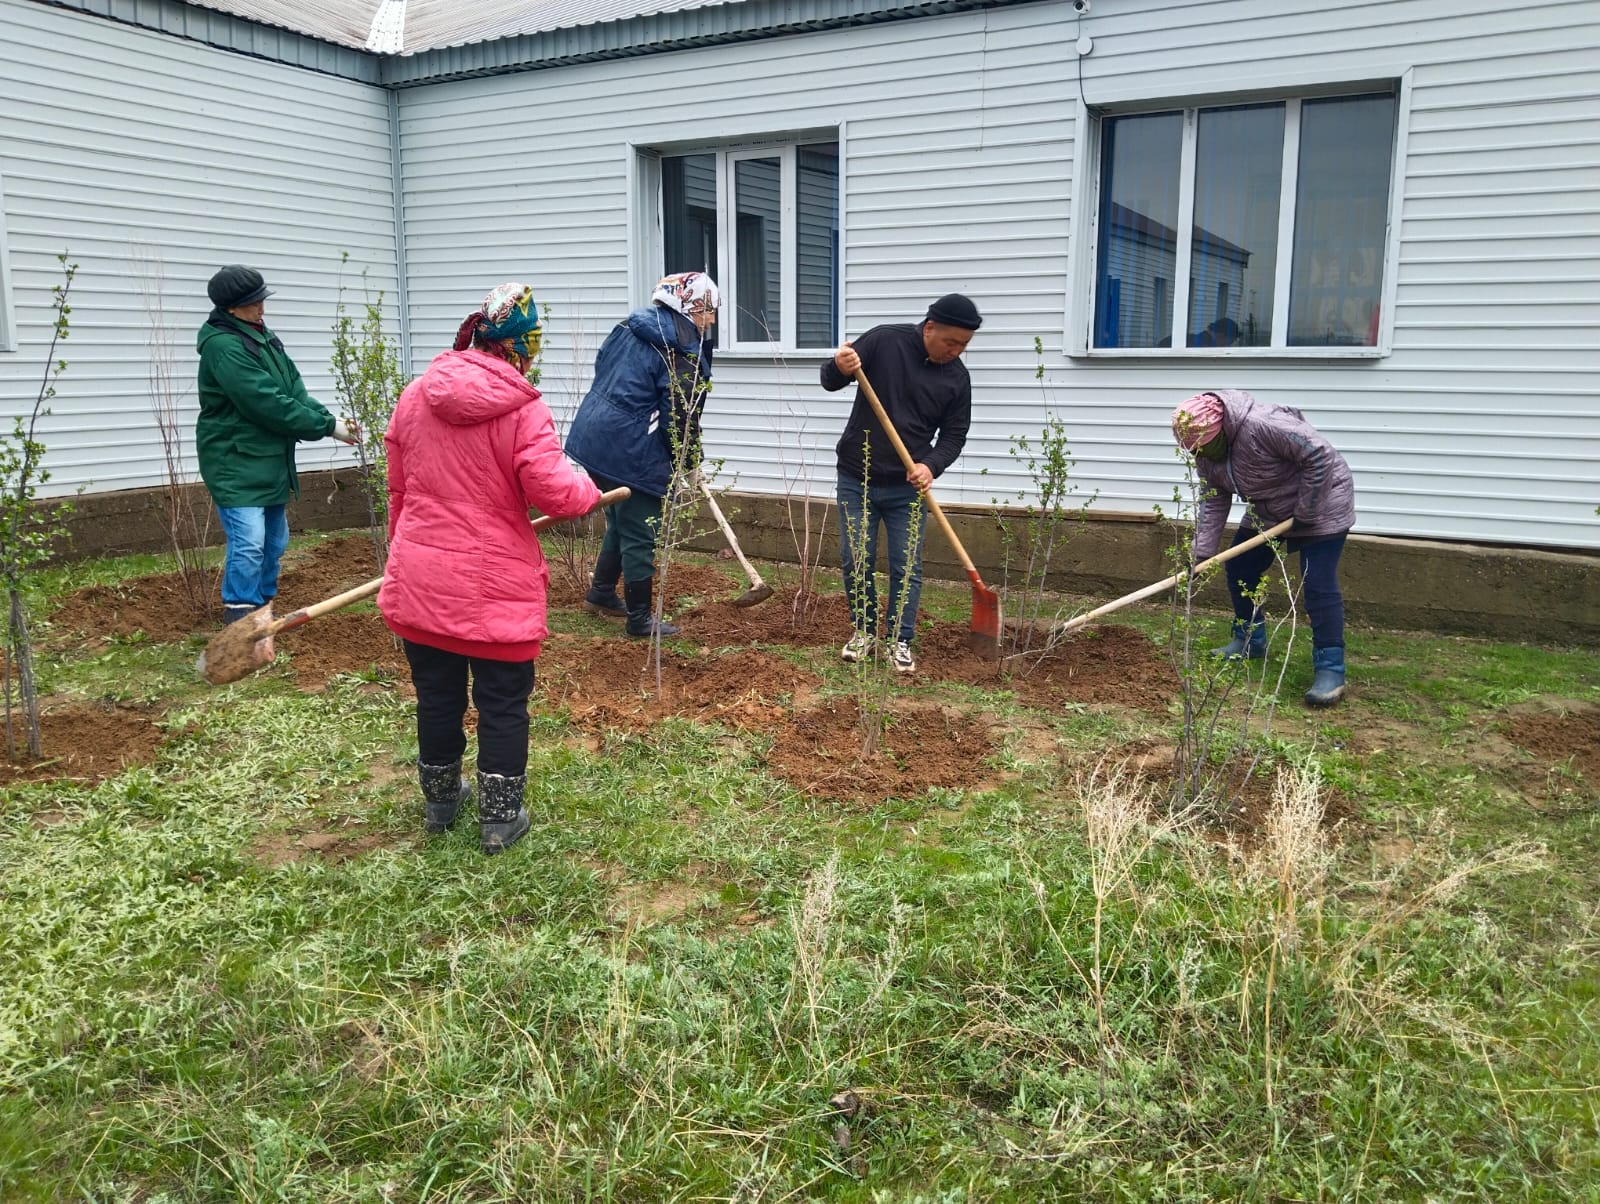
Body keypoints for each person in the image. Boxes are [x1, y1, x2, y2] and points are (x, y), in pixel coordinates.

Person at [379, 283, 602, 854]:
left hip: (423, 580)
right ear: (520, 348)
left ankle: (439, 803)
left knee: (437, 696)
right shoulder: (522, 408)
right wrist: (586, 487)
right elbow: (555, 491)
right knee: (502, 701)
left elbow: (399, 492)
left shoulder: (413, 396)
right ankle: (500, 821)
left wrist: (406, 554)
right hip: (494, 585)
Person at [821, 293, 981, 674]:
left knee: (906, 566)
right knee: (856, 558)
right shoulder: (884, 341)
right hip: (856, 478)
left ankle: (900, 640)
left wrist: (930, 465)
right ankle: (863, 631)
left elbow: (954, 436)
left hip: (907, 489)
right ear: (929, 329)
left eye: (964, 345)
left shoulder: (957, 378)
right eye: (951, 342)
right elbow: (830, 381)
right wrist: (839, 366)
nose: (957, 351)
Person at [1170, 389, 1356, 707]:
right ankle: (1248, 641)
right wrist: (1200, 554)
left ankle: (1330, 669)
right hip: (1269, 511)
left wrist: (1306, 511)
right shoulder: (1206, 455)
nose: (1198, 455)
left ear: (1221, 432)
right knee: (1241, 566)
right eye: (1192, 449)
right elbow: (1214, 500)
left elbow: (1319, 455)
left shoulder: (1264, 425)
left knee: (1317, 583)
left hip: (1321, 503)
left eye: (1203, 447)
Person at [196, 265, 356, 626]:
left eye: (260, 300)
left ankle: (262, 606)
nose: (261, 308)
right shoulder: (224, 347)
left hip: (267, 458)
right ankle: (240, 614)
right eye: (253, 303)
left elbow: (292, 390)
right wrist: (326, 427)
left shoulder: (261, 336)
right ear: (232, 308)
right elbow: (265, 401)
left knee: (275, 541)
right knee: (249, 541)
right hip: (235, 459)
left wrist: (333, 422)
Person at [565, 272, 718, 639]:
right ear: (689, 307)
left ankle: (601, 593)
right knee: (641, 528)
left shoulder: (629, 326)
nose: (711, 319)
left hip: (593, 436)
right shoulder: (677, 350)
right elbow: (680, 413)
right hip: (629, 447)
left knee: (622, 517)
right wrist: (691, 462)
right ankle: (639, 619)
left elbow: (605, 370)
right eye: (708, 311)